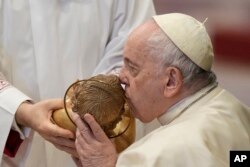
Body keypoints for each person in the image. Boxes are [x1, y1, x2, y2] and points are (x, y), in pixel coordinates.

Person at [71, 13, 250, 167]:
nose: (121, 77)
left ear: (171, 81)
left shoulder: (159, 154)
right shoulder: (236, 110)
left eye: (132, 68)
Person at [0, 0, 155, 166]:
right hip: (22, 140)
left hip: (102, 135)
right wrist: (21, 110)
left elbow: (139, 50)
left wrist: (96, 106)